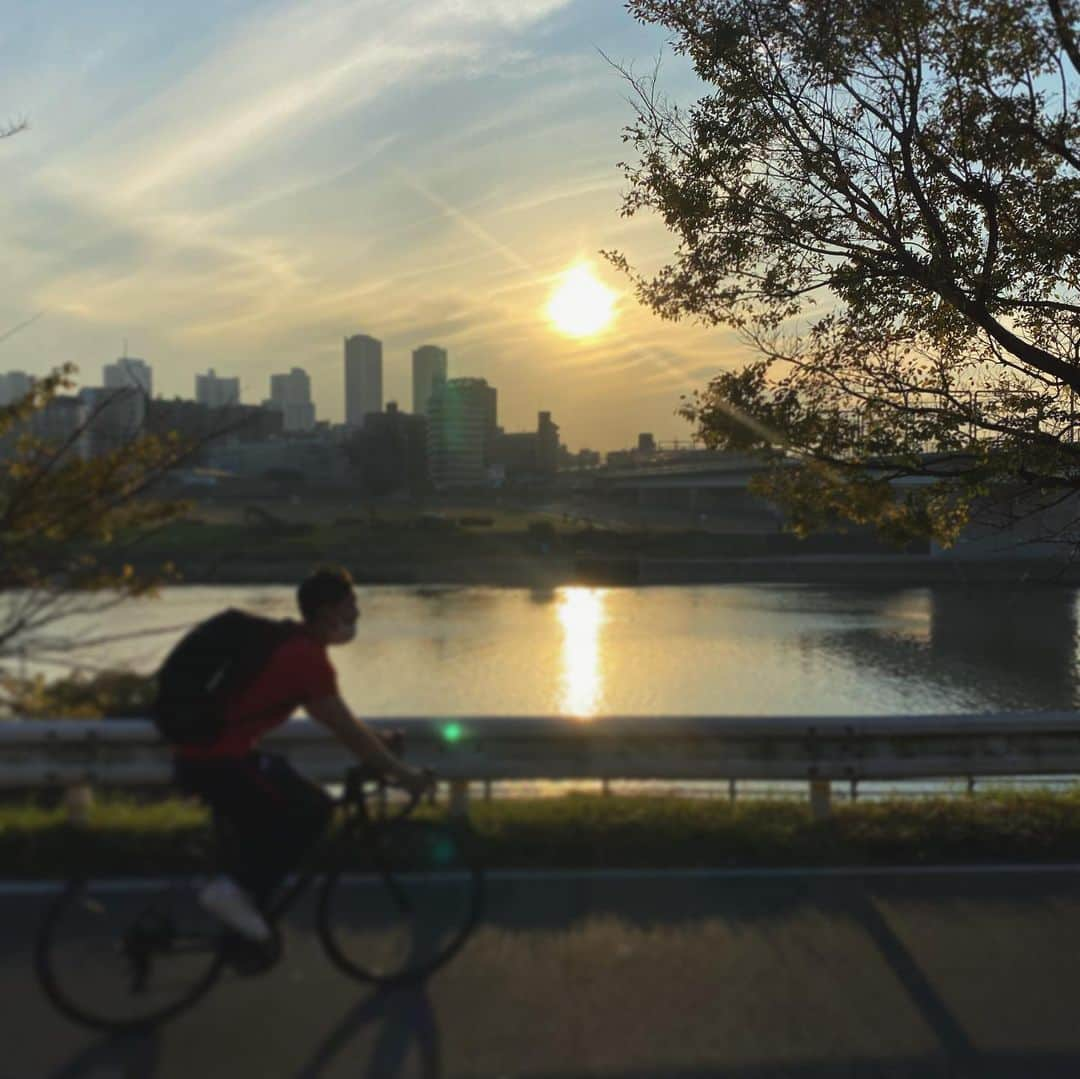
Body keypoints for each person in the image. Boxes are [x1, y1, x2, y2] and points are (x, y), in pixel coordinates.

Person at [173, 567, 432, 942]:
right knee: (314, 809)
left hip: (211, 755)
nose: (357, 615)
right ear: (328, 612)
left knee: (275, 811)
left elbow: (332, 718)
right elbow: (345, 729)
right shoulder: (307, 659)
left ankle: (243, 913)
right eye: (351, 606)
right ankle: (233, 894)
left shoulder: (289, 641)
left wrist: (375, 739)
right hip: (220, 761)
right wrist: (402, 774)